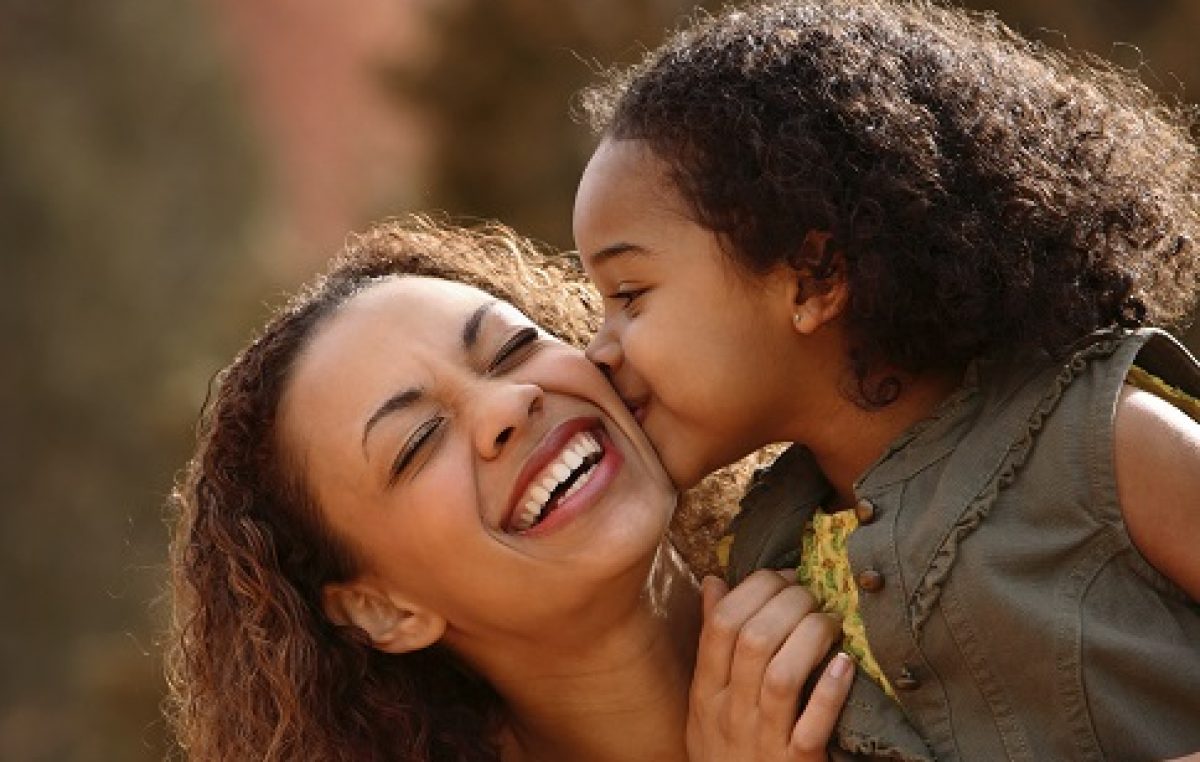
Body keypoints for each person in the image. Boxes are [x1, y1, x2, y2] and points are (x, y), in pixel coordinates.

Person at [573, 1, 1200, 760]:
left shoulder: (1102, 440)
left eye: (630, 295)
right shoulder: (760, 577)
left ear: (814, 278)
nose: (596, 351)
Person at [165, 217, 857, 762]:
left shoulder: (878, 539)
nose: (507, 407)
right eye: (417, 443)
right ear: (381, 610)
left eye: (510, 350)